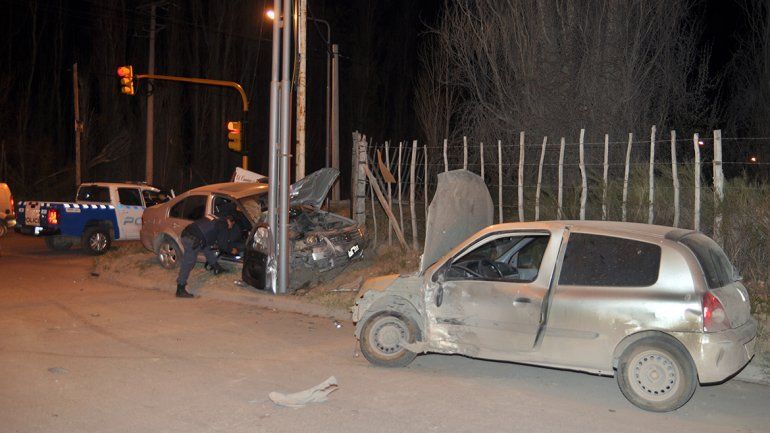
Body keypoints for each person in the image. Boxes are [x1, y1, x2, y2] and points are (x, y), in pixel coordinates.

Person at [175, 205, 240, 298]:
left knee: (207, 249)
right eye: (231, 225)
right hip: (192, 239)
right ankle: (180, 288)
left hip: (190, 233)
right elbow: (223, 245)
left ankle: (216, 267)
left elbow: (209, 232)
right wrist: (231, 250)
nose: (230, 228)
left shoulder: (217, 217)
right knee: (189, 262)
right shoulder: (223, 224)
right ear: (230, 221)